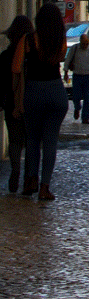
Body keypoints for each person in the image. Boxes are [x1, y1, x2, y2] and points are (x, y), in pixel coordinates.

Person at [12, 2, 68, 201]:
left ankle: (31, 180)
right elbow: (60, 58)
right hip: (56, 91)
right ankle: (45, 187)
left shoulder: (28, 39)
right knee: (51, 142)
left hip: (33, 91)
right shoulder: (60, 39)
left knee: (33, 140)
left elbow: (15, 67)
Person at [0, 15, 33, 192]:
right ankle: (28, 177)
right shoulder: (33, 58)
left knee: (14, 141)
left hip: (11, 103)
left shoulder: (5, 56)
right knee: (30, 141)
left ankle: (15, 170)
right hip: (31, 103)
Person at [64, 30, 89, 124]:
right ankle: (77, 108)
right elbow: (68, 60)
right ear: (80, 42)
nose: (85, 45)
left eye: (86, 43)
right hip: (77, 76)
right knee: (76, 97)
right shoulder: (74, 48)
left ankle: (85, 117)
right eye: (83, 44)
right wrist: (66, 72)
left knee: (88, 98)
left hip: (88, 77)